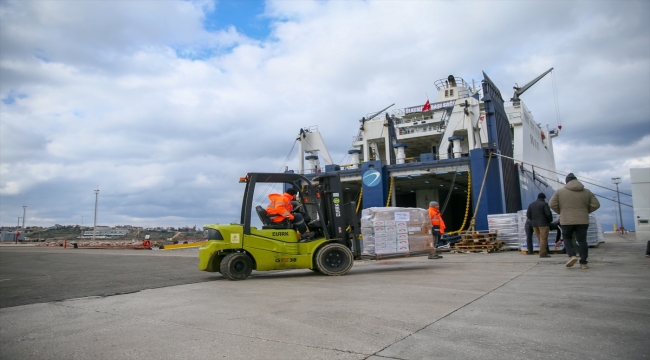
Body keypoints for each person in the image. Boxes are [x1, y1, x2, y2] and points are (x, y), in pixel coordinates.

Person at [549, 173, 600, 269]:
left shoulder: (559, 191)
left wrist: (561, 212)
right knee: (582, 241)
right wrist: (585, 211)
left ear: (566, 182)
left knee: (567, 238)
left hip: (566, 220)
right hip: (583, 220)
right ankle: (583, 263)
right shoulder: (587, 192)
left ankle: (572, 255)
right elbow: (596, 204)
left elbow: (552, 204)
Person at [527, 193, 554, 257]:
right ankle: (543, 253)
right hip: (543, 224)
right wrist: (550, 221)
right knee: (543, 239)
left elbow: (528, 215)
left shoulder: (531, 205)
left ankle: (543, 251)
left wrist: (533, 220)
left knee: (539, 238)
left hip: (534, 224)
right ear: (544, 198)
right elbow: (548, 214)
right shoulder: (544, 204)